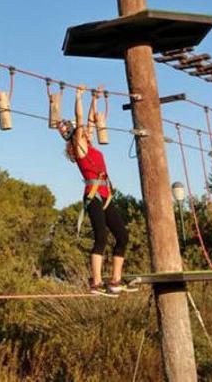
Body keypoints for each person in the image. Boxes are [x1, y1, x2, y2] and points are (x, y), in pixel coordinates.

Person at [57, 86, 135, 296]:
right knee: (101, 236)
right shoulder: (81, 148)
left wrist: (94, 99)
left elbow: (89, 121)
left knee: (122, 236)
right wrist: (78, 97)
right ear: (77, 136)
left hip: (105, 194)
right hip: (93, 194)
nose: (87, 133)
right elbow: (81, 119)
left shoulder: (88, 145)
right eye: (82, 133)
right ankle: (97, 282)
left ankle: (115, 281)